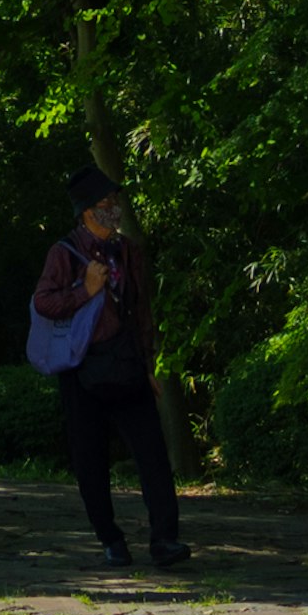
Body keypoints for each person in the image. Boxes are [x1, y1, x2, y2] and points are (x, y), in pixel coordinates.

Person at [30, 170, 191, 574]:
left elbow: (142, 312)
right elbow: (44, 303)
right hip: (81, 370)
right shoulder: (63, 253)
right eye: (105, 205)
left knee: (153, 455)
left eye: (115, 202)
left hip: (127, 364)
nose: (114, 209)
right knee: (90, 462)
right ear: (86, 212)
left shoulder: (128, 252)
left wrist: (148, 363)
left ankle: (164, 539)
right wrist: (84, 290)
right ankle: (111, 540)